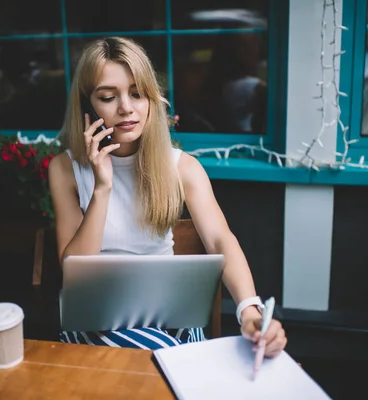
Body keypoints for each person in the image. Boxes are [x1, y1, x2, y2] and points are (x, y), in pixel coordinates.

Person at [48, 36, 287, 355]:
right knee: (174, 361)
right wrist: (102, 188)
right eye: (108, 96)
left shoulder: (183, 167)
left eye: (137, 93)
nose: (126, 108)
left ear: (151, 98)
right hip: (100, 321)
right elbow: (74, 269)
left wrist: (249, 310)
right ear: (87, 106)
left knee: (180, 356)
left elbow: (219, 239)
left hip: (167, 316)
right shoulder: (65, 169)